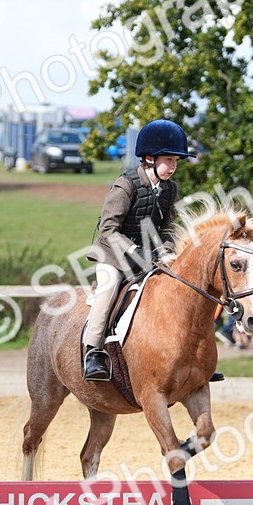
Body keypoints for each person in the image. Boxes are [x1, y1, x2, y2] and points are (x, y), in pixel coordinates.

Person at [82, 119, 191, 380]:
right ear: (150, 158)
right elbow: (109, 229)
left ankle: (190, 358)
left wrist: (165, 252)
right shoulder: (125, 185)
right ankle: (93, 352)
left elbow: (167, 228)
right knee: (107, 294)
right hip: (114, 257)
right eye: (169, 160)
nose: (174, 166)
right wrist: (135, 251)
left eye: (176, 161)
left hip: (149, 258)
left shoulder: (170, 189)